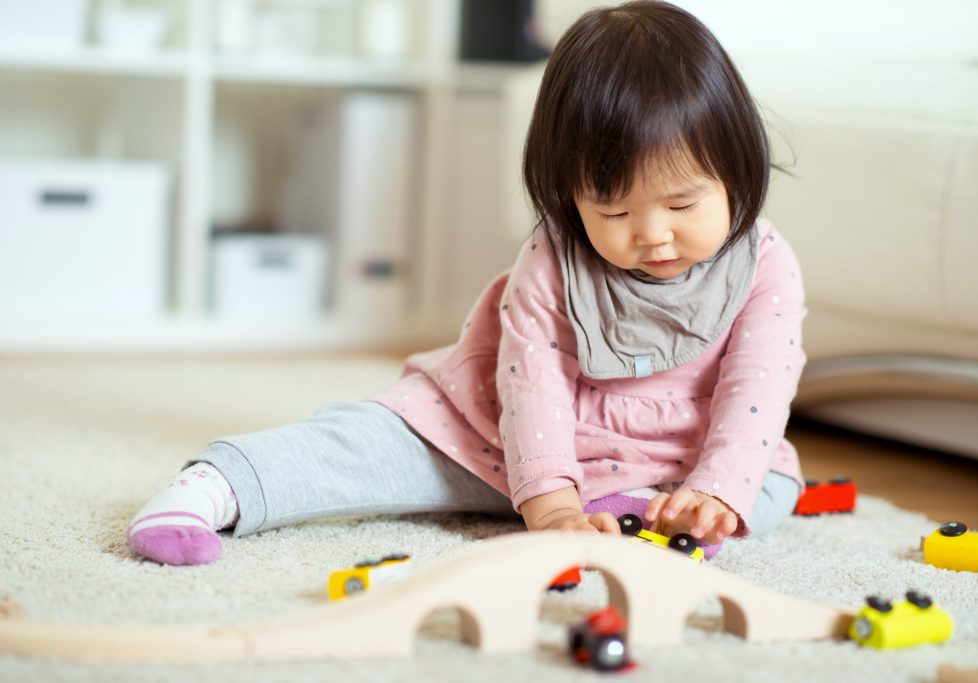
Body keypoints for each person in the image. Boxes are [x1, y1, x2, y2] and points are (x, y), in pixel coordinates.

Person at [127, 0, 806, 567]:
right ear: (570, 197)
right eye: (616, 212)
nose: (653, 235)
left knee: (764, 486)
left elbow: (759, 389)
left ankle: (647, 511)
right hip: (502, 438)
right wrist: (551, 503)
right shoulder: (553, 258)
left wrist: (717, 492)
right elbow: (531, 382)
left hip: (673, 451)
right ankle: (216, 488)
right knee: (364, 446)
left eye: (683, 206)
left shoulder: (764, 264)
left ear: (737, 167)